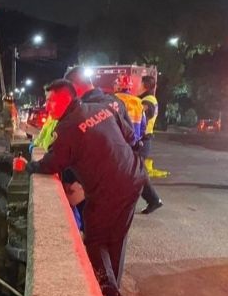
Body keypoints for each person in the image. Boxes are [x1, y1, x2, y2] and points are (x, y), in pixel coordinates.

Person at [26, 80, 145, 296]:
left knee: (95, 238)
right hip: (133, 178)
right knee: (118, 236)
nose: (47, 106)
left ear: (64, 99)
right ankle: (113, 288)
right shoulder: (103, 108)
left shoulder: (68, 128)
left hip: (107, 189)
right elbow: (130, 137)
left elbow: (52, 163)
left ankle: (108, 288)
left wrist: (30, 167)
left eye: (50, 101)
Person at [65, 67, 162, 214]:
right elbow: (139, 127)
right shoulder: (132, 102)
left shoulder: (105, 102)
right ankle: (151, 200)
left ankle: (151, 200)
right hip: (134, 146)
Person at [137, 75, 164, 213]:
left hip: (143, 140)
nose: (137, 85)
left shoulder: (147, 101)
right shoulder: (148, 98)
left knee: (138, 173)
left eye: (139, 83)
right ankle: (154, 200)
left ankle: (154, 199)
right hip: (143, 140)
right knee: (139, 173)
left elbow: (142, 116)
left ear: (145, 86)